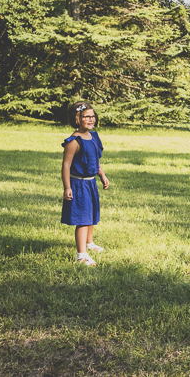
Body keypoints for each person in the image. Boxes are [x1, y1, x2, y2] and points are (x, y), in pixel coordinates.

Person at [61, 101, 110, 266]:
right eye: (86, 117)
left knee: (91, 215)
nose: (91, 119)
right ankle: (81, 255)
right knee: (82, 218)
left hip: (90, 184)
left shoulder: (93, 136)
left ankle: (89, 243)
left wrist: (102, 175)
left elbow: (95, 161)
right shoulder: (74, 141)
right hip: (78, 185)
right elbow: (66, 165)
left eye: (93, 116)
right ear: (77, 119)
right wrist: (67, 187)